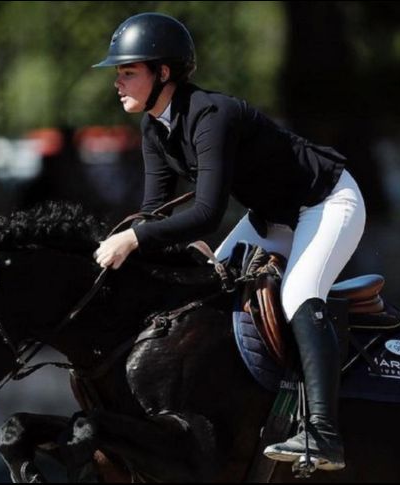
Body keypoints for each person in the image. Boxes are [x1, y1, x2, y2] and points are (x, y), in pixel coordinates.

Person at [92, 12, 366, 471]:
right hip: (272, 217)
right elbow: (153, 212)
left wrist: (135, 239)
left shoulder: (211, 115)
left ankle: (323, 433)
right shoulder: (154, 128)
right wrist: (127, 240)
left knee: (299, 292)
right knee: (212, 289)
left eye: (127, 72)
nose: (117, 83)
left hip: (328, 202)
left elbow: (205, 214)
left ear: (163, 73)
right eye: (118, 73)